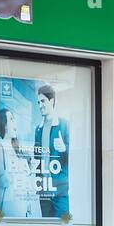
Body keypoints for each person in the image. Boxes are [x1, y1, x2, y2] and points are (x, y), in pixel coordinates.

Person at [34, 84, 70, 218]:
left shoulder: (64, 125)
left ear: (52, 101)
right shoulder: (38, 129)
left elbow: (76, 159)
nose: (40, 105)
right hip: (44, 190)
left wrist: (64, 148)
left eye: (43, 101)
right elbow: (36, 158)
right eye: (38, 102)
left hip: (60, 191)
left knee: (63, 225)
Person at [0, 109, 37, 220]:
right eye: (11, 119)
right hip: (11, 205)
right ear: (4, 124)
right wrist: (14, 174)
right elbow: (2, 181)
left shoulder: (18, 150)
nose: (15, 124)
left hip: (24, 206)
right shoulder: (0, 147)